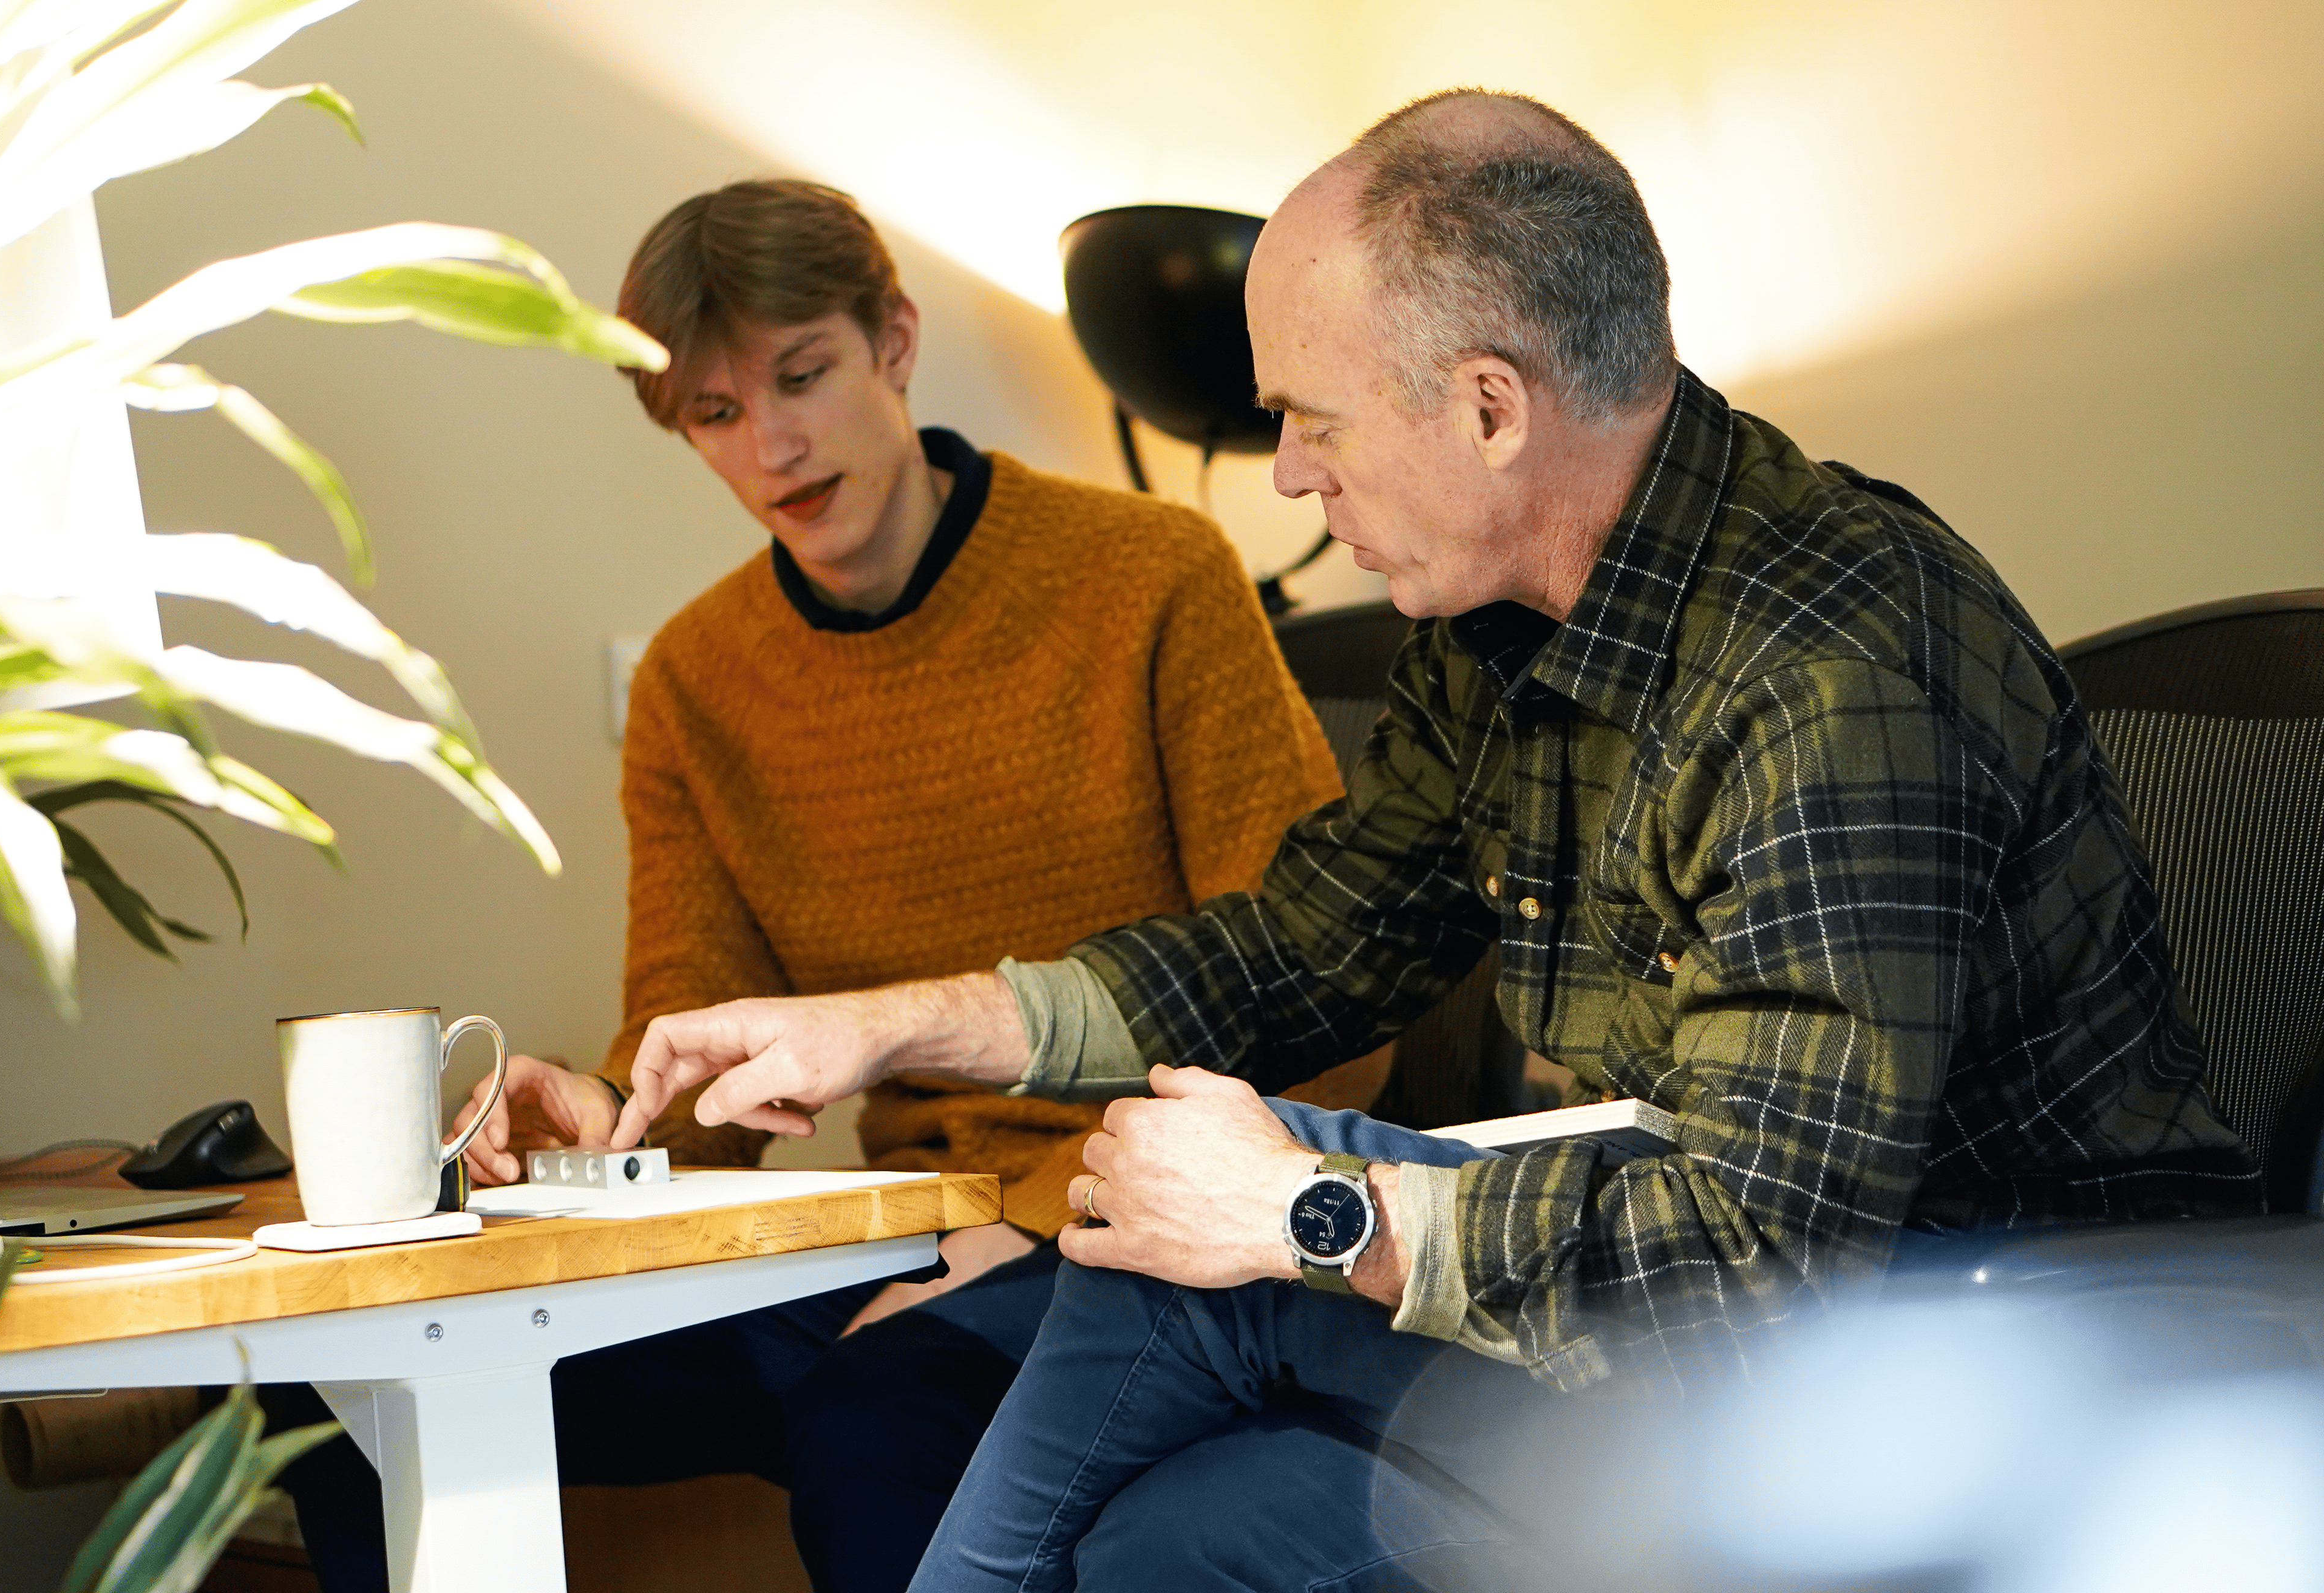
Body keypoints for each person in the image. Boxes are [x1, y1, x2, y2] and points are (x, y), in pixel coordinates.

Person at [607, 93, 2265, 1591]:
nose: (1296, 482)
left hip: (1962, 1341)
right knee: (1159, 1511)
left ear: (1489, 409)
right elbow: (1307, 946)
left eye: (1313, 422)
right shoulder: (1499, 631)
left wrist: (1313, 1213)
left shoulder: (1828, 676)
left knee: (1194, 1277)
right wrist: (900, 1020)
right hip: (1669, 1293)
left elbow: (1759, 1264)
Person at [273, 177, 1346, 1593]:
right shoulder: (697, 681)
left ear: (892, 342)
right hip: (883, 1239)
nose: (772, 442)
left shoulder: (1153, 574)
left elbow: (1312, 986)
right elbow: (694, 1047)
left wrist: (1037, 1226)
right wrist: (606, 1118)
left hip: (1139, 1225)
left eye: (802, 375)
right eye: (717, 415)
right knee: (332, 1392)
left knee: (875, 1411)